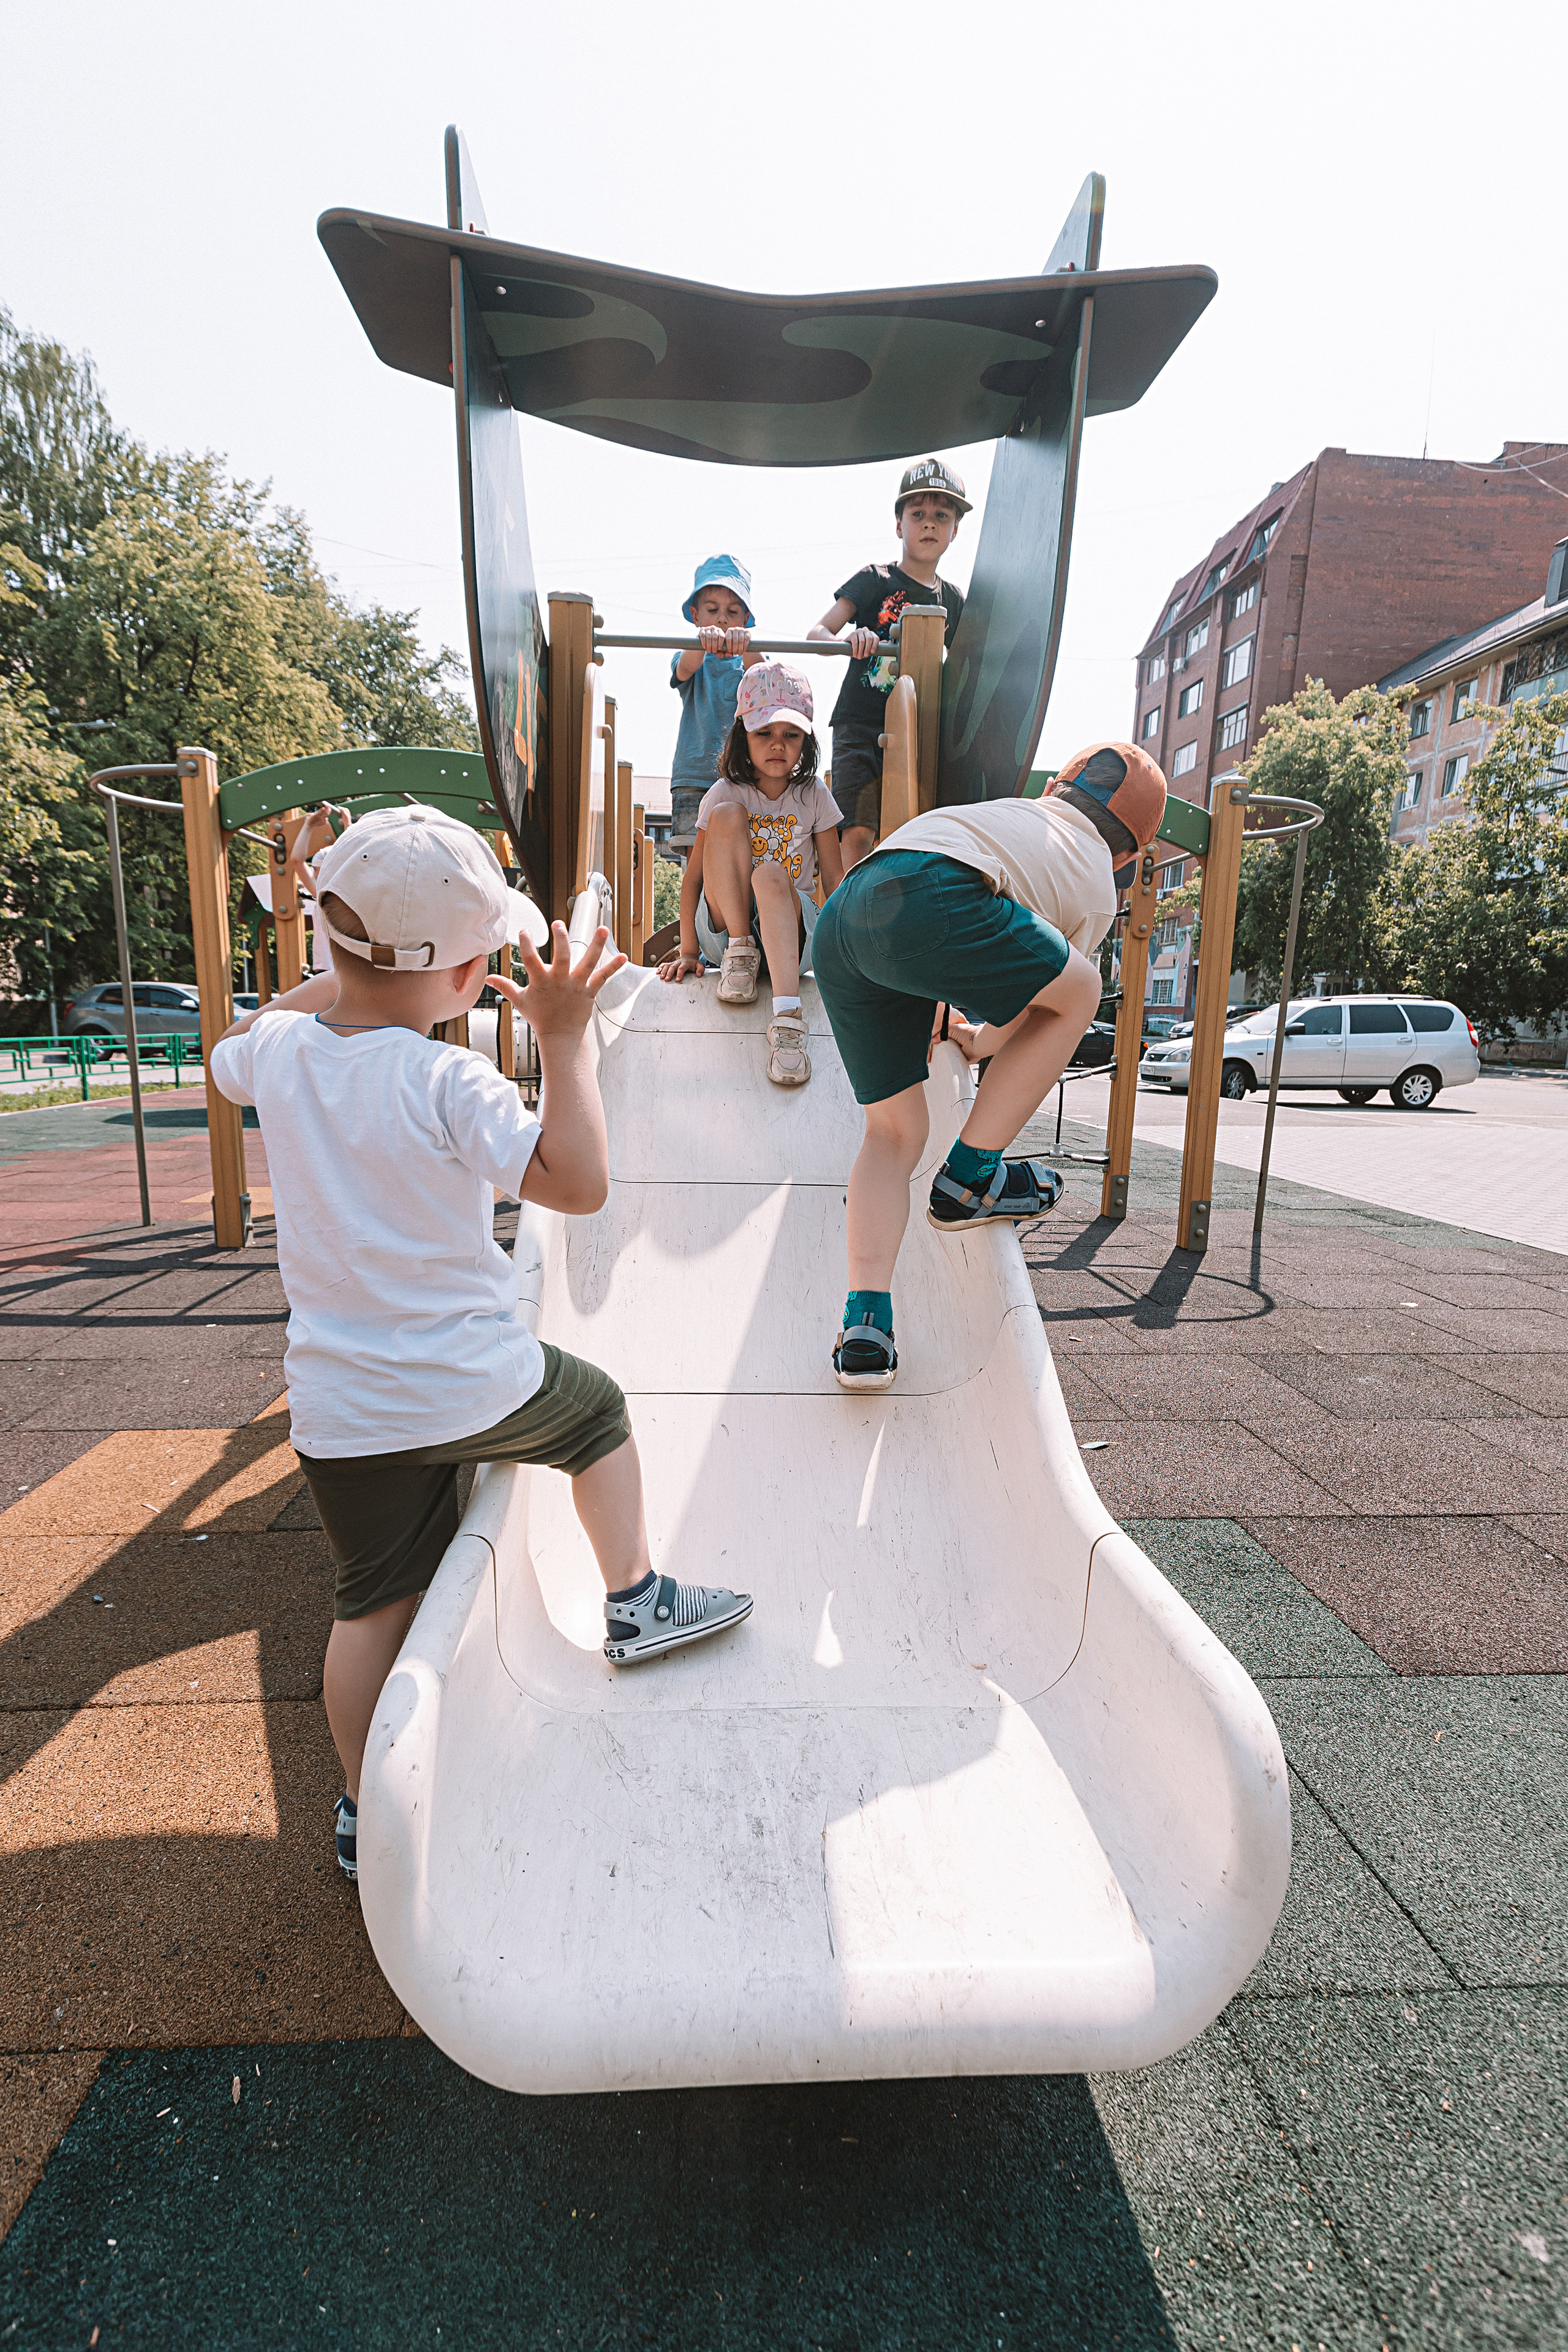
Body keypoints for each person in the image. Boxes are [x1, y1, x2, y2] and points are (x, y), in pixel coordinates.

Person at [209, 806, 752, 1883]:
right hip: (467, 1384)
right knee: (597, 1411)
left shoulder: (275, 1054)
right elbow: (577, 1185)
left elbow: (243, 1038)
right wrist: (563, 1038)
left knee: (370, 1606)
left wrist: (338, 967)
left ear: (328, 939)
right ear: (469, 976)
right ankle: (637, 1598)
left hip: (340, 1407)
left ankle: (362, 1808)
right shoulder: (450, 1081)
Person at [811, 743, 1168, 1391]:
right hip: (935, 898)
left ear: (1054, 791)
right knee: (1082, 991)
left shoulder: (1010, 815)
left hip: (846, 917)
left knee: (892, 1133)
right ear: (1128, 857)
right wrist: (983, 1040)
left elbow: (936, 901)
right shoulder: (1094, 880)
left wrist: (971, 1035)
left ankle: (866, 1326)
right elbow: (1047, 1001)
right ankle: (971, 1177)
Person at [658, 662, 845, 1089]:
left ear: (806, 741)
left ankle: (788, 1019)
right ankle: (741, 952)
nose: (778, 744)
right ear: (743, 734)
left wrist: (846, 956)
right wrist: (689, 950)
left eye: (791, 735)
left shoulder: (814, 795)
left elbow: (835, 881)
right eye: (764, 733)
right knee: (726, 815)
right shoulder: (724, 791)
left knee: (771, 875)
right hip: (727, 934)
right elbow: (694, 879)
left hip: (792, 938)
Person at [808, 458, 970, 869]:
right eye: (918, 514)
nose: (929, 524)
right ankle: (852, 901)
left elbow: (967, 668)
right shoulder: (875, 580)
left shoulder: (952, 600)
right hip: (861, 724)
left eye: (942, 516)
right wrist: (849, 640)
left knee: (907, 830)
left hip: (918, 730)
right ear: (900, 525)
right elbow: (817, 635)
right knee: (858, 829)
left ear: (955, 529)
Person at [669, 554, 763, 843]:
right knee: (694, 853)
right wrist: (702, 639)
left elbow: (766, 680)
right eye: (712, 610)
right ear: (696, 615)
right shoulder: (691, 657)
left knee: (740, 852)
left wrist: (747, 645)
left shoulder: (749, 664)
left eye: (733, 612)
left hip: (742, 776)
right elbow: (685, 668)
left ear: (745, 620)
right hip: (694, 778)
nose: (722, 618)